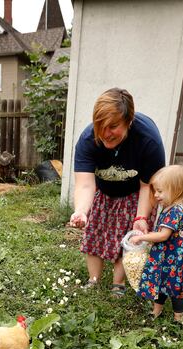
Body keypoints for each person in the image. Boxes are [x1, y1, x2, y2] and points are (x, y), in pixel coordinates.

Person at [68, 88, 165, 296]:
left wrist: (141, 217)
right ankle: (93, 280)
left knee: (128, 236)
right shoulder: (88, 140)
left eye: (113, 126)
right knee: (95, 233)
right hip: (104, 192)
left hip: (136, 194)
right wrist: (82, 211)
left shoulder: (149, 140)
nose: (105, 133)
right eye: (100, 126)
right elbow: (85, 184)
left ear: (129, 121)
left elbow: (148, 185)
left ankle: (118, 284)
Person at [129, 164, 183, 325]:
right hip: (167, 256)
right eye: (155, 191)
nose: (156, 195)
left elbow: (164, 235)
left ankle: (178, 318)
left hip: (175, 258)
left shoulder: (176, 211)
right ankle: (156, 310)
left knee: (175, 288)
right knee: (160, 282)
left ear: (176, 189)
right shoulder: (168, 207)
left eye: (160, 191)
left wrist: (143, 238)